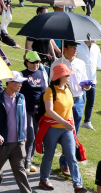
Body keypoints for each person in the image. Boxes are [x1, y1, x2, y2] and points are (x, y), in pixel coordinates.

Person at [36, 63, 86, 192]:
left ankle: (78, 185)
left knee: (71, 156)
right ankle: (44, 179)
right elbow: (49, 110)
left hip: (67, 128)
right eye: (66, 74)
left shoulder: (68, 87)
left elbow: (70, 110)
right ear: (60, 76)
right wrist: (64, 122)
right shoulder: (50, 90)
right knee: (49, 155)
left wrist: (73, 126)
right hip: (52, 128)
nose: (69, 75)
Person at [0, 72, 30, 193]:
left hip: (18, 143)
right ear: (9, 83)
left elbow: (24, 118)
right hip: (2, 143)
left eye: (21, 82)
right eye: (18, 82)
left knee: (20, 170)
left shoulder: (21, 97)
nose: (20, 85)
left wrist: (24, 135)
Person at [18, 52, 47, 173]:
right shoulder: (22, 74)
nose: (36, 64)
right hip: (26, 110)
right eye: (33, 62)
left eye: (38, 62)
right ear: (27, 62)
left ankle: (29, 160)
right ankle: (25, 161)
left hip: (39, 111)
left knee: (36, 136)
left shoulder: (42, 73)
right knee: (29, 136)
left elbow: (45, 91)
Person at [76, 40, 101, 131]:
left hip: (92, 80)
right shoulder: (78, 46)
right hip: (81, 80)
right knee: (81, 102)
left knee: (90, 102)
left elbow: (99, 63)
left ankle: (87, 122)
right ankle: (76, 121)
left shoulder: (96, 48)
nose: (96, 39)